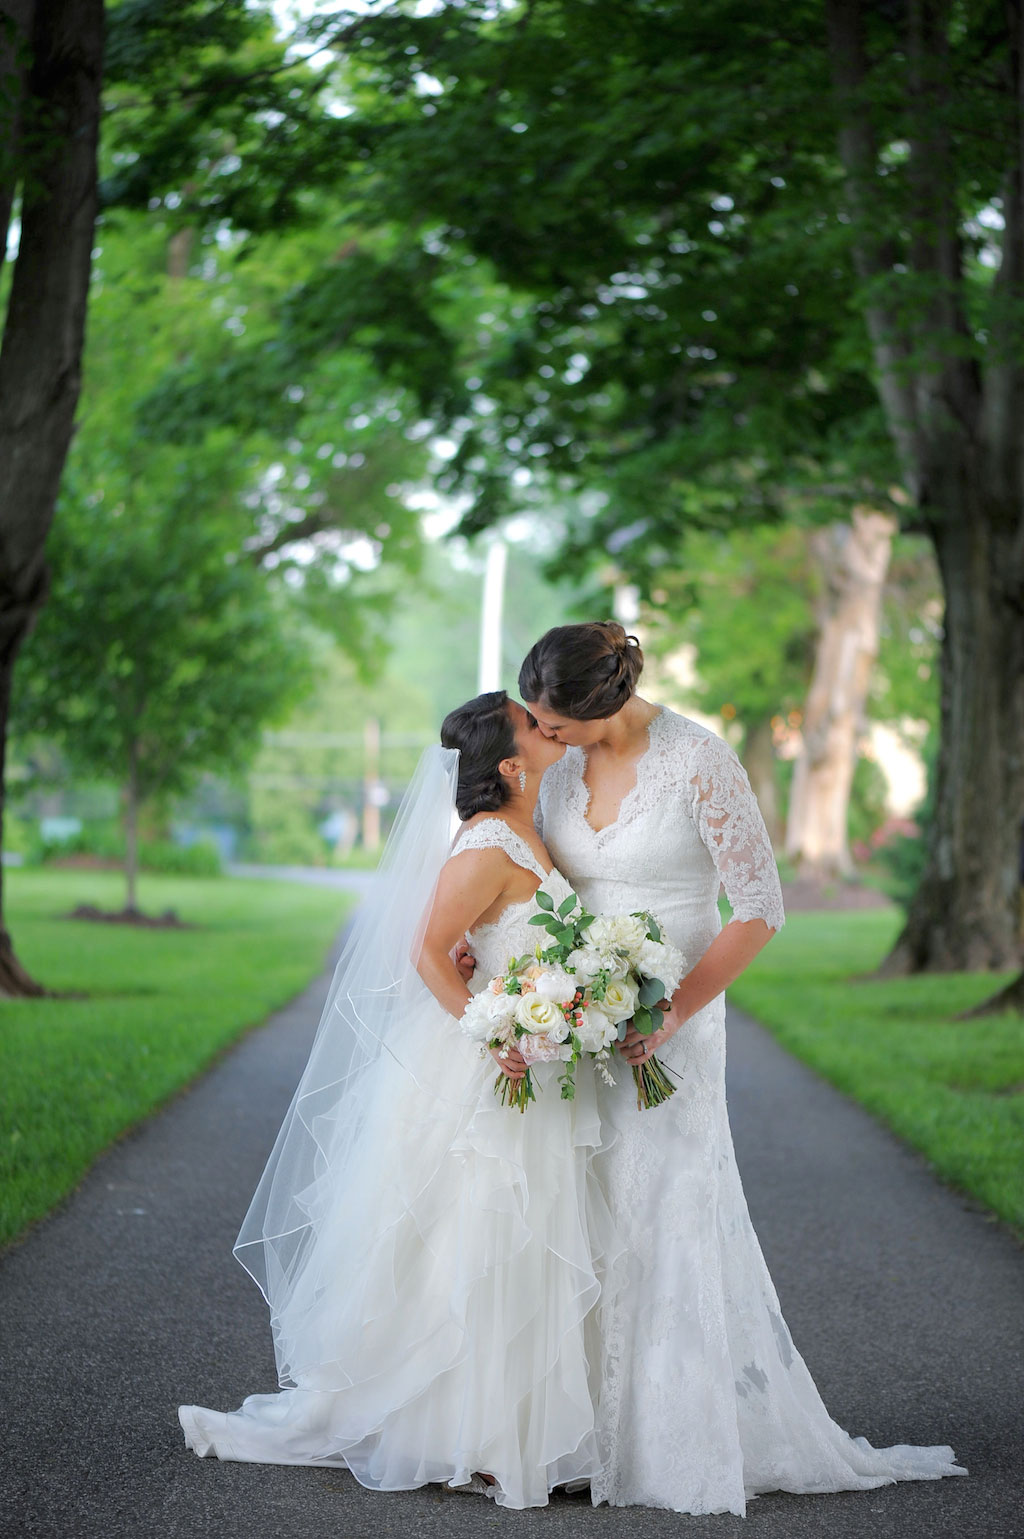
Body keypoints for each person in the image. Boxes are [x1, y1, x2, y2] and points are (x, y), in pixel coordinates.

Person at [501, 619, 966, 1516]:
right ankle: (569, 1433)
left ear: (606, 704)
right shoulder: (555, 765)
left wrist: (671, 1010)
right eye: (537, 720)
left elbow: (757, 905)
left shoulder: (699, 760)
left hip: (676, 1009)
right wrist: (530, 979)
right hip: (575, 1009)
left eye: (556, 721)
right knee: (577, 1198)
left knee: (664, 1198)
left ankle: (666, 1436)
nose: (542, 735)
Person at [177, 690, 622, 1508]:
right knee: (480, 1235)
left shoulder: (530, 831)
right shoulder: (488, 842)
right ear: (514, 765)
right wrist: (492, 1032)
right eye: (534, 722)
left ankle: (515, 1429)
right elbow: (423, 944)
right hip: (492, 1066)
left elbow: (482, 938)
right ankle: (470, 1430)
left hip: (537, 1062)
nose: (548, 723)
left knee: (525, 1237)